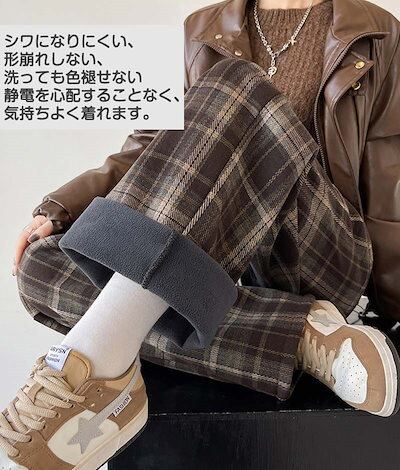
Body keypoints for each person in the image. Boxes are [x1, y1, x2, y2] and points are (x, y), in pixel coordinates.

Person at [2, 0, 400, 468]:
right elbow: (151, 148)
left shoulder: (375, 32)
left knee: (239, 82)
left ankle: (92, 363)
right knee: (42, 261)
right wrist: (63, 208)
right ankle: (299, 337)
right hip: (227, 268)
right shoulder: (199, 27)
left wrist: (388, 307)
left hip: (323, 247)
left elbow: (389, 182)